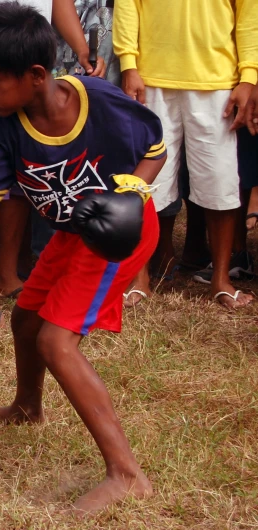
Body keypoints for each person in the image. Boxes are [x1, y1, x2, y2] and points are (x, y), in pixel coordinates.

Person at [0, 3, 166, 512]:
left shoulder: (99, 101)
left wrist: (133, 195)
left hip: (116, 235)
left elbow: (158, 148)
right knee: (26, 320)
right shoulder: (5, 128)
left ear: (37, 75)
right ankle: (27, 406)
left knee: (58, 342)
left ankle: (127, 473)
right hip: (71, 232)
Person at [0, 0, 108, 322]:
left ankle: (7, 274)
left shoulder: (92, 98)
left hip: (25, 64)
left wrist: (81, 47)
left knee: (28, 181)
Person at [114, 0, 258, 309]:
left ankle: (220, 280)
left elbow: (249, 14)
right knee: (144, 183)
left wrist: (249, 75)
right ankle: (138, 277)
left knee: (219, 181)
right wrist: (129, 64)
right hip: (151, 78)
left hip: (216, 81)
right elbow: (127, 5)